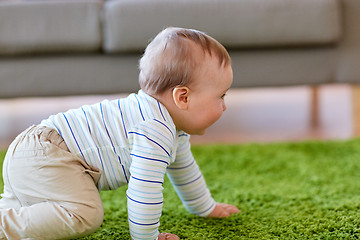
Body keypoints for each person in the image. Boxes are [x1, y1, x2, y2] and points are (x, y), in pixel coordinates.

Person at [0, 27, 239, 240]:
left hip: (34, 150)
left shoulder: (168, 126)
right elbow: (144, 190)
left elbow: (184, 169)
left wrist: (205, 207)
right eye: (221, 96)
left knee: (23, 209)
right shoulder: (154, 128)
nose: (224, 105)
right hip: (48, 155)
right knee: (85, 213)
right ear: (183, 97)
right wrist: (147, 236)